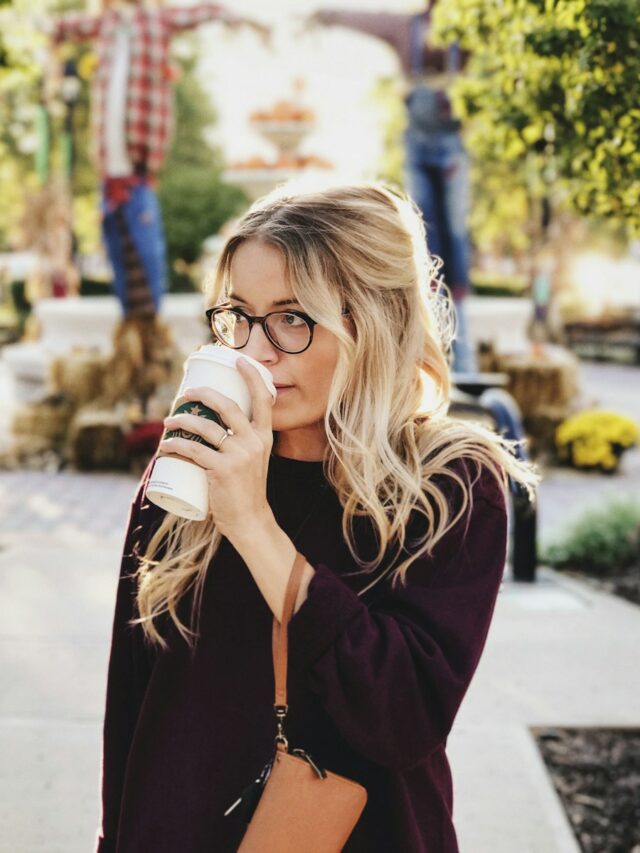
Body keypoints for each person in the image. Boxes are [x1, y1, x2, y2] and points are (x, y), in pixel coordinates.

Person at [98, 182, 539, 852]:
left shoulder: (449, 484)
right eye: (239, 315)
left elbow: (403, 716)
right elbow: (130, 708)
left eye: (293, 318)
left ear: (373, 321)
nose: (257, 350)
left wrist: (253, 525)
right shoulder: (195, 465)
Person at [50, 0, 269, 319]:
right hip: (108, 176)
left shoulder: (158, 18)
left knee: (146, 257)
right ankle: (132, 331)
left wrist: (245, 21)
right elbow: (64, 28)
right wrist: (48, 47)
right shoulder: (105, 23)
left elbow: (205, 11)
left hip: (137, 170)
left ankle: (152, 330)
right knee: (120, 263)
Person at [308, 2, 478, 374]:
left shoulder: (468, 25)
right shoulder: (407, 28)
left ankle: (464, 353)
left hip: (453, 146)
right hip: (417, 145)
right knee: (424, 235)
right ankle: (431, 346)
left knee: (455, 234)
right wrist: (327, 15)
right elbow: (366, 20)